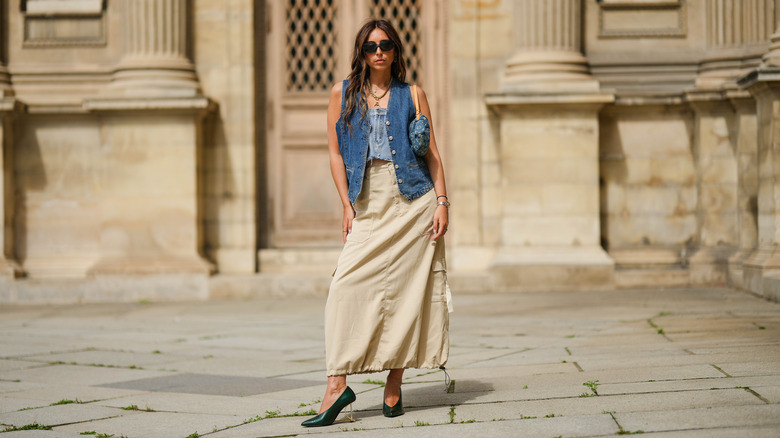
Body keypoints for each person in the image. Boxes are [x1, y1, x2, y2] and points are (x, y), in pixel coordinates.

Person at [301, 19, 451, 428]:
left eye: (385, 45)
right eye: (370, 46)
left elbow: (432, 153)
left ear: (396, 50)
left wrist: (441, 201)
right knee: (343, 287)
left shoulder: (413, 94)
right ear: (361, 53)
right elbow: (335, 153)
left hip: (412, 203)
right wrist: (346, 204)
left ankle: (394, 384)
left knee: (407, 292)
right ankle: (337, 385)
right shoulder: (343, 93)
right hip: (367, 201)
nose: (379, 52)